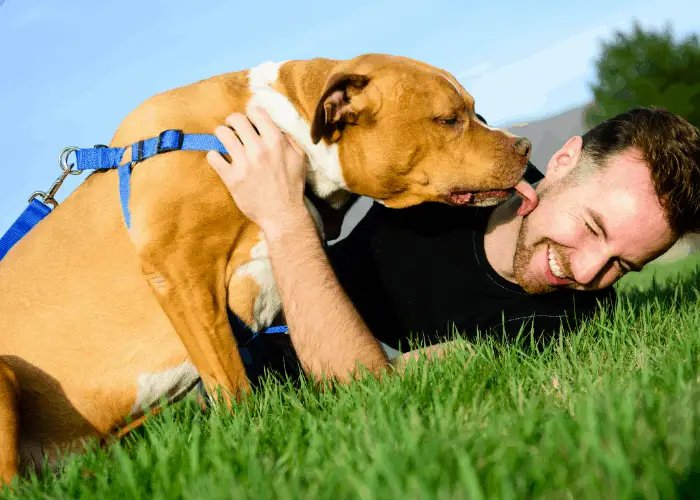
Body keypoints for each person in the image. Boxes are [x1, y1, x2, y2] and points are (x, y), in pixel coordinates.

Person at [206, 106, 700, 385]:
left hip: (262, 373)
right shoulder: (465, 160)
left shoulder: (563, 326)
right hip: (236, 295)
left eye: (622, 264)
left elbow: (362, 385)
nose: (589, 272)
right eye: (592, 227)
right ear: (566, 159)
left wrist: (285, 218)